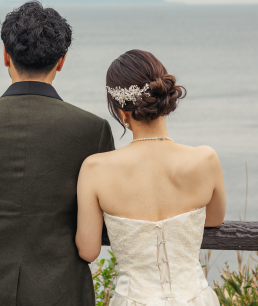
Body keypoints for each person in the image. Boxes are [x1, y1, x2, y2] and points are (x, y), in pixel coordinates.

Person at [0, 1, 115, 306]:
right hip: (61, 287)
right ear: (61, 61)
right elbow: (100, 218)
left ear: (5, 55)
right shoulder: (93, 129)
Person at [76, 49, 226, 306]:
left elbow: (88, 251)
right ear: (164, 100)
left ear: (121, 112)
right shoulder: (205, 159)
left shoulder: (95, 169)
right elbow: (213, 219)